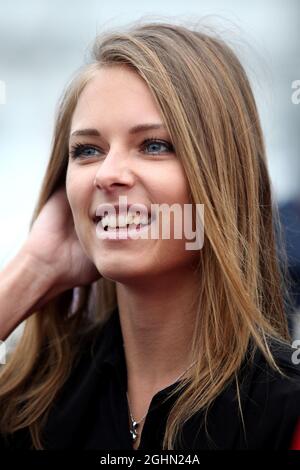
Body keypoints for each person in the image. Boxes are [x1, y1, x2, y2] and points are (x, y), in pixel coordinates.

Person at [0, 19, 300, 451]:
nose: (108, 174)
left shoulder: (283, 413)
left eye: (154, 145)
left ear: (223, 177)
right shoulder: (32, 405)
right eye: (88, 150)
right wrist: (32, 270)